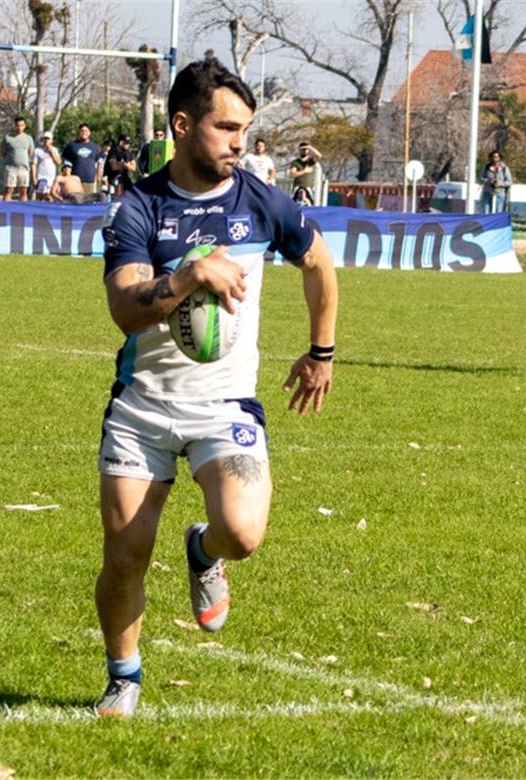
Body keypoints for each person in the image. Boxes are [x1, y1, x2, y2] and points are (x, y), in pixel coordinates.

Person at [93, 57, 339, 718]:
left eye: (246, 129)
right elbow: (124, 307)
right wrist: (188, 277)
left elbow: (317, 261)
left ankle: (203, 550)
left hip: (224, 405)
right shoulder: (140, 207)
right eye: (227, 127)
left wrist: (322, 350)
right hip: (142, 408)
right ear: (182, 124)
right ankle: (124, 675)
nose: (241, 142)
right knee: (125, 557)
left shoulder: (259, 200)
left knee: (244, 532)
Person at [62, 123, 103, 194]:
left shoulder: (94, 147)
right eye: (82, 131)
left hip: (89, 181)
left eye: (86, 131)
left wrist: (99, 176)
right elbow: (66, 162)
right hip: (75, 181)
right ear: (79, 132)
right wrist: (67, 176)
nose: (84, 133)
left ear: (89, 133)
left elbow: (99, 162)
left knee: (88, 202)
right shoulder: (71, 146)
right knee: (75, 201)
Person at [2, 115, 34, 201]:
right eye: (17, 125)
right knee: (9, 189)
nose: (19, 127)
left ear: (25, 126)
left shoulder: (28, 138)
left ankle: (23, 211)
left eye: (21, 125)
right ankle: (5, 210)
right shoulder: (7, 138)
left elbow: (30, 153)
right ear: (14, 125)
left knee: (23, 191)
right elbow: (2, 153)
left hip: (24, 168)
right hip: (10, 168)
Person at [32, 132, 61, 201]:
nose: (46, 140)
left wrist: (51, 152)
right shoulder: (37, 150)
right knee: (39, 196)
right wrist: (34, 178)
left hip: (51, 177)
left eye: (48, 139)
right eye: (45, 138)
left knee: (49, 196)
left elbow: (59, 162)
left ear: (51, 140)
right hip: (40, 176)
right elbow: (34, 165)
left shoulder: (54, 150)